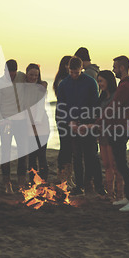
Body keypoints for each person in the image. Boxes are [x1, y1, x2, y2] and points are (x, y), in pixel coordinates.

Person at [91, 56, 129, 212]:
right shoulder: (126, 85)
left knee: (122, 166)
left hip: (119, 130)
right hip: (120, 129)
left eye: (115, 67)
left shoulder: (126, 87)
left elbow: (112, 108)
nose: (113, 70)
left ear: (122, 68)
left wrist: (97, 123)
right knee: (121, 164)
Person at [56, 56, 106, 196]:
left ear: (81, 69)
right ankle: (79, 186)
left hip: (87, 122)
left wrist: (88, 124)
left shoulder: (90, 82)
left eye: (76, 72)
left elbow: (94, 104)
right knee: (76, 156)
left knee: (91, 156)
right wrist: (70, 122)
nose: (74, 75)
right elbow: (61, 106)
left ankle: (96, 185)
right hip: (72, 124)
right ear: (68, 69)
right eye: (71, 72)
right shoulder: (64, 84)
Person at [0, 59, 28, 193]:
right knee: (6, 152)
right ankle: (8, 185)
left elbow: (33, 81)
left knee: (23, 152)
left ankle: (22, 184)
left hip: (22, 122)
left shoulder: (21, 77)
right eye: (9, 73)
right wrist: (1, 120)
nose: (11, 76)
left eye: (13, 73)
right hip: (6, 122)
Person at [97, 70, 124, 200]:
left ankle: (120, 194)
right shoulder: (102, 97)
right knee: (107, 165)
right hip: (102, 134)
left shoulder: (116, 96)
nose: (99, 84)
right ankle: (110, 194)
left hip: (113, 134)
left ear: (109, 81)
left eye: (101, 81)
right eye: (98, 81)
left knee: (115, 166)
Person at [25, 63, 50, 182]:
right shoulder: (23, 88)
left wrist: (36, 123)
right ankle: (33, 183)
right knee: (31, 157)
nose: (34, 77)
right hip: (28, 126)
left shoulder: (41, 87)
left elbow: (40, 107)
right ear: (26, 74)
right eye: (31, 74)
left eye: (36, 75)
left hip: (41, 126)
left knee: (41, 156)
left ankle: (43, 182)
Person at [53, 55, 75, 187]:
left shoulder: (68, 79)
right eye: (68, 65)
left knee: (70, 147)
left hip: (66, 114)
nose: (69, 67)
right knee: (66, 146)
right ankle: (62, 176)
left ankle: (67, 177)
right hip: (63, 116)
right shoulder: (62, 80)